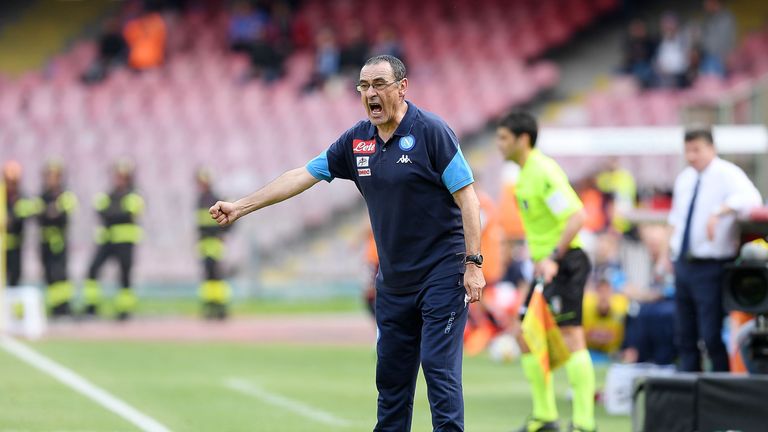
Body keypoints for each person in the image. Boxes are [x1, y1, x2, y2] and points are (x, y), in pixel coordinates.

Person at [210, 55, 485, 432]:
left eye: (379, 85)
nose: (370, 93)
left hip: (442, 272)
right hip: (393, 281)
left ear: (402, 88)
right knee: (390, 380)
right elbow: (302, 175)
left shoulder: (432, 132)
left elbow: (468, 198)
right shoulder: (357, 141)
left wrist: (473, 263)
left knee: (438, 369)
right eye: (364, 86)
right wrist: (241, 206)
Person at [496, 111, 595, 432]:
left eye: (504, 138)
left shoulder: (541, 170)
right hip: (547, 267)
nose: (499, 144)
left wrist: (553, 256)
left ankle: (583, 423)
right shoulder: (523, 174)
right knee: (526, 335)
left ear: (523, 139)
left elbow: (576, 216)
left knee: (571, 337)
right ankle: (545, 417)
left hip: (565, 263)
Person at [668, 127, 762, 372]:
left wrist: (720, 211)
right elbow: (676, 220)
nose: (691, 156)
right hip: (684, 264)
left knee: (711, 333)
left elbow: (751, 199)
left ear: (711, 148)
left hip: (711, 265)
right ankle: (690, 387)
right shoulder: (685, 179)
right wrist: (667, 256)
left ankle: (718, 385)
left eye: (697, 149)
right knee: (684, 333)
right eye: (688, 150)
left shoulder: (727, 174)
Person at [84, 161, 145, 320]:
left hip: (125, 242)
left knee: (124, 276)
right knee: (92, 270)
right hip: (107, 241)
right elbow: (103, 212)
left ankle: (124, 309)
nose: (119, 180)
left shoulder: (133, 195)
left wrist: (112, 213)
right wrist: (116, 212)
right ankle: (91, 305)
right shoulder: (108, 195)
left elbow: (124, 214)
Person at [35, 161, 78, 317]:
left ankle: (64, 307)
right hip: (45, 241)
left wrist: (51, 212)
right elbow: (39, 215)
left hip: (58, 241)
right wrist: (50, 212)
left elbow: (61, 215)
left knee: (60, 274)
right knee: (49, 275)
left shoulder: (65, 195)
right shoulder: (43, 196)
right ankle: (55, 307)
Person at [195, 169, 231, 320]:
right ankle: (210, 304)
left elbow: (228, 220)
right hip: (204, 243)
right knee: (208, 274)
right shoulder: (200, 200)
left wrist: (223, 233)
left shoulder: (215, 199)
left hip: (215, 242)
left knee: (216, 274)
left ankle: (220, 305)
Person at [3, 161, 37, 287]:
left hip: (15, 246)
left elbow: (28, 213)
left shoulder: (22, 198)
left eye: (13, 182)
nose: (10, 185)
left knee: (14, 278)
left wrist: (12, 219)